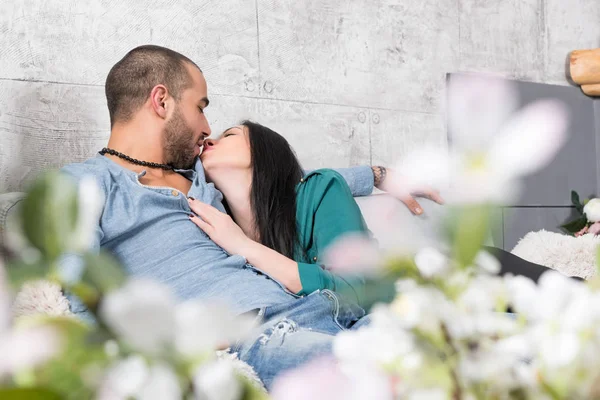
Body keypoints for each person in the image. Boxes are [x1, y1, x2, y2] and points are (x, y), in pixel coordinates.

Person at [58, 45, 431, 389]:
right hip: (258, 335)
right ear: (161, 101)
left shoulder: (202, 177)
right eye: (200, 106)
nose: (206, 129)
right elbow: (76, 303)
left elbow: (281, 183)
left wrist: (378, 175)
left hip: (326, 311)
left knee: (458, 350)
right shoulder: (84, 185)